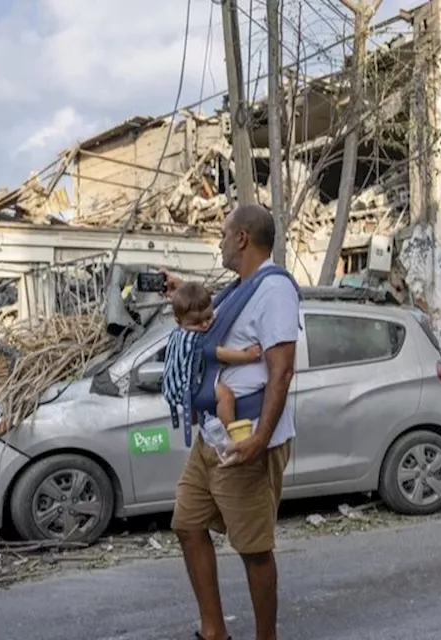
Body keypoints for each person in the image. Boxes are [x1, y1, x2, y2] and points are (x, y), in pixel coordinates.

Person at [163, 203, 299, 640]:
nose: (219, 243)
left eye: (223, 235)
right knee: (187, 523)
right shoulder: (241, 288)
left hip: (245, 438)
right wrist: (181, 289)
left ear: (242, 238)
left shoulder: (274, 290)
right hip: (213, 436)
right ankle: (214, 631)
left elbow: (281, 370)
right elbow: (209, 315)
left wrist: (260, 440)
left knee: (253, 548)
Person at [160, 280, 264, 463]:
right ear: (179, 321)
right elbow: (220, 353)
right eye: (196, 323)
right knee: (226, 396)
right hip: (194, 387)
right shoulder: (196, 339)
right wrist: (247, 355)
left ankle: (193, 415)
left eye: (209, 318)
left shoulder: (177, 333)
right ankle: (230, 432)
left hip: (183, 388)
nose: (205, 325)